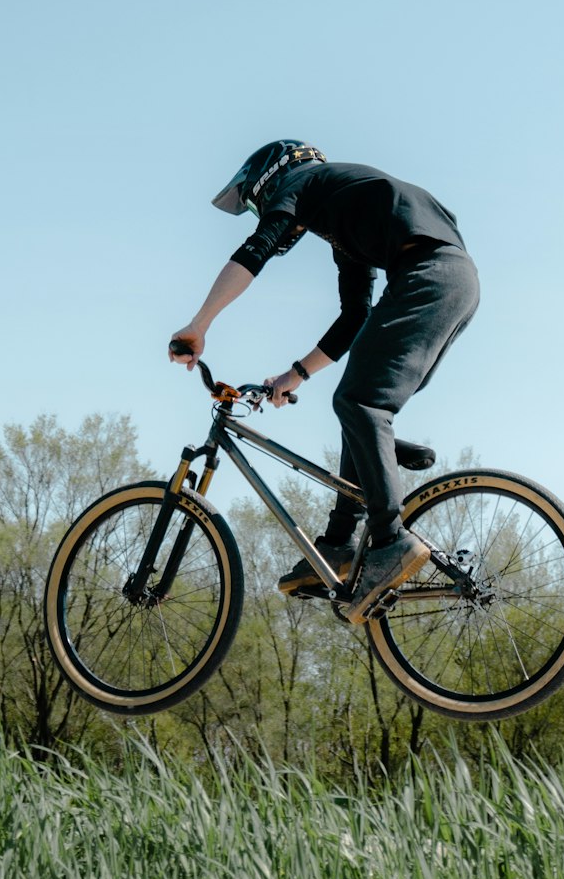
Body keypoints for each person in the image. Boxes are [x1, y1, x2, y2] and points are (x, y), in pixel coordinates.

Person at [168, 140, 480, 624]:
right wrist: (295, 375)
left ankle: (392, 540)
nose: (264, 213)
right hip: (452, 281)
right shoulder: (342, 218)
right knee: (360, 409)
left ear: (271, 177)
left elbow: (255, 251)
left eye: (257, 202)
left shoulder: (302, 182)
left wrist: (199, 325)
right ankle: (337, 546)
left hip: (427, 276)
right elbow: (354, 314)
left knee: (359, 403)